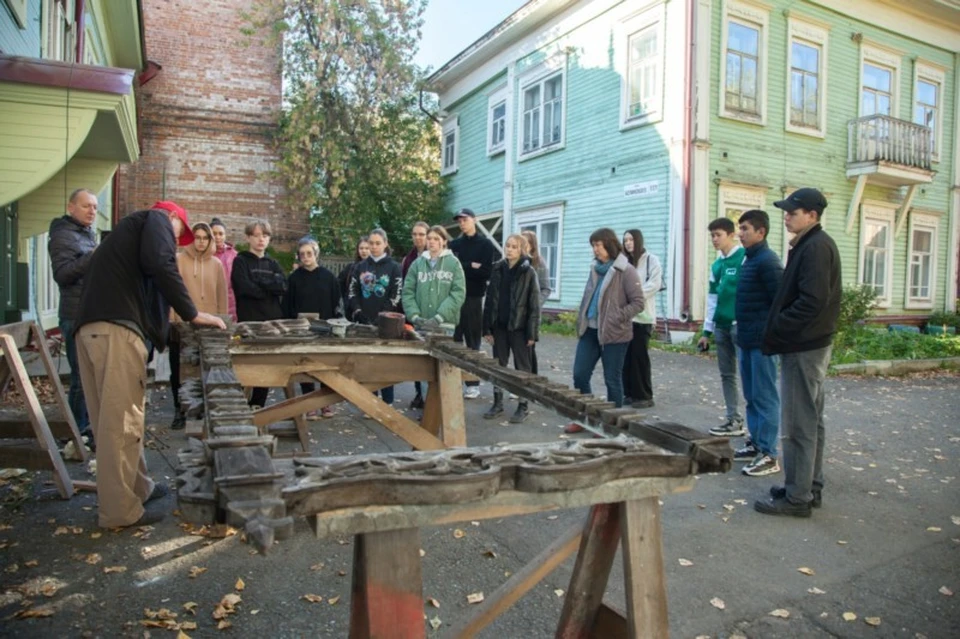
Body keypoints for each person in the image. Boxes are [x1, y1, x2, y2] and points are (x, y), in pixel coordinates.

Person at [74, 201, 226, 528]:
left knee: (111, 419)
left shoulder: (125, 236)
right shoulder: (156, 219)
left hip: (91, 330)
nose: (176, 243)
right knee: (121, 423)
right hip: (115, 332)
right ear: (172, 217)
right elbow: (160, 262)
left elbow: (150, 277)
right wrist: (193, 313)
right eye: (180, 234)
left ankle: (138, 487)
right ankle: (119, 512)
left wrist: (161, 333)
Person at [755, 188, 841, 517]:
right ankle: (806, 486)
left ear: (812, 215)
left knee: (799, 424)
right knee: (811, 421)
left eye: (793, 212)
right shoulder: (811, 244)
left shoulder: (815, 247)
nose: (786, 216)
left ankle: (797, 498)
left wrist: (777, 327)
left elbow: (811, 302)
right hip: (811, 343)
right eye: (787, 211)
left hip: (804, 346)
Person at [565, 229, 644, 433]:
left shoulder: (626, 270)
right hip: (590, 331)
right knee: (580, 375)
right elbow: (588, 297)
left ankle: (612, 425)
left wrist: (616, 317)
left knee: (612, 379)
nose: (595, 249)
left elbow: (638, 303)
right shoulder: (595, 268)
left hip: (614, 334)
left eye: (598, 245)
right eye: (593, 245)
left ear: (609, 244)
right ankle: (585, 418)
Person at [733, 210, 783, 477]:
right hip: (747, 339)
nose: (740, 234)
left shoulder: (768, 261)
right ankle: (756, 444)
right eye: (739, 229)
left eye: (745, 229)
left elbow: (780, 302)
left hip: (763, 343)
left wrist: (770, 336)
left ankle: (769, 454)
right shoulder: (749, 259)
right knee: (752, 396)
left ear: (761, 232)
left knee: (765, 397)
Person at [48, 188, 98, 447]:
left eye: (95, 207)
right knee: (80, 375)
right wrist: (92, 258)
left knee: (89, 373)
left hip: (89, 311)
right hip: (74, 314)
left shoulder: (86, 234)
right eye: (86, 206)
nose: (92, 211)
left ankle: (86, 426)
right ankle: (76, 431)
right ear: (71, 208)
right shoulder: (63, 236)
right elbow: (63, 274)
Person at [169, 222, 229, 429]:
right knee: (177, 368)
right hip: (182, 323)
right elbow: (173, 292)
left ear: (210, 240)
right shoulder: (179, 260)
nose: (201, 241)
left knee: (205, 368)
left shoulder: (217, 264)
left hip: (209, 324)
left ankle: (203, 409)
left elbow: (222, 295)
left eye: (205, 237)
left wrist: (223, 320)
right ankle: (179, 411)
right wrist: (173, 319)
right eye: (197, 237)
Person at [482, 234, 540, 423]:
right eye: (507, 246)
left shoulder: (529, 272)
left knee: (522, 368)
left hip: (520, 328)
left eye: (514, 247)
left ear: (521, 249)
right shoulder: (498, 268)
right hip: (499, 326)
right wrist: (487, 328)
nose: (509, 249)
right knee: (498, 366)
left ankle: (523, 405)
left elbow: (534, 306)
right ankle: (497, 403)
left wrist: (532, 333)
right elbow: (489, 300)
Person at [231, 219, 287, 408]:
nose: (260, 240)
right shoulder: (240, 261)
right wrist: (267, 286)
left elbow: (282, 286)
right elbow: (243, 287)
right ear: (248, 238)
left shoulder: (273, 263)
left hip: (271, 324)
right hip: (248, 323)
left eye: (264, 235)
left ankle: (258, 406)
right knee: (245, 366)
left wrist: (260, 283)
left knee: (265, 367)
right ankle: (239, 406)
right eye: (256, 235)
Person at [700, 218, 746, 438]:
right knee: (727, 375)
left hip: (740, 326)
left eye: (718, 235)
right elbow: (712, 298)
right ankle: (733, 419)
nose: (714, 240)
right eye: (712, 235)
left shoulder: (744, 258)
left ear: (731, 235)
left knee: (748, 375)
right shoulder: (717, 264)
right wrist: (706, 331)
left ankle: (756, 429)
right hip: (721, 326)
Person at [286, 237, 342, 417]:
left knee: (325, 365)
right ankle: (309, 402)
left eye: (309, 253)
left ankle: (325, 402)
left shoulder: (329, 277)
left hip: (325, 328)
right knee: (305, 365)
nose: (305, 257)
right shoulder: (293, 279)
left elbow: (336, 303)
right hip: (302, 328)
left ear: (316, 253)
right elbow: (288, 305)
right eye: (302, 254)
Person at [347, 228, 402, 404]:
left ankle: (388, 402)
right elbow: (352, 291)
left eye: (378, 243)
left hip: (386, 323)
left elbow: (396, 294)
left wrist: (383, 315)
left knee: (385, 363)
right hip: (363, 321)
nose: (374, 246)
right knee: (366, 363)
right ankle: (370, 401)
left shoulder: (394, 267)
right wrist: (357, 311)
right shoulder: (360, 266)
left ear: (385, 244)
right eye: (371, 243)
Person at [449, 208, 496, 399]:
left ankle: (472, 383)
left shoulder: (485, 245)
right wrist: (470, 265)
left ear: (474, 220)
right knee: (454, 339)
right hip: (454, 298)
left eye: (465, 219)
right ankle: (453, 380)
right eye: (459, 221)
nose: (462, 223)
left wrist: (464, 265)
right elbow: (453, 270)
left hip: (474, 298)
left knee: (472, 341)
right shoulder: (455, 244)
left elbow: (486, 272)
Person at [621, 229, 662, 409]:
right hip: (625, 315)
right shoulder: (622, 260)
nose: (628, 243)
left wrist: (634, 295)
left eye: (631, 239)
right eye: (625, 240)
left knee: (639, 357)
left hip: (643, 316)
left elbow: (654, 284)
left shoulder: (651, 259)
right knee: (625, 357)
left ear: (638, 240)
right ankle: (629, 393)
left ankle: (644, 395)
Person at [402, 221, 430, 409]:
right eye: (415, 234)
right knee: (416, 357)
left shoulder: (435, 257)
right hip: (414, 313)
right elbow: (406, 287)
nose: (418, 237)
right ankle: (419, 394)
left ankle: (431, 401)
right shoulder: (408, 259)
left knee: (429, 358)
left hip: (432, 314)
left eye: (421, 234)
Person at [521, 230, 551, 376]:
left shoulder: (539, 263)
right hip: (516, 312)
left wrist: (535, 304)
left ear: (532, 245)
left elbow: (546, 289)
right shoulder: (516, 261)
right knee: (518, 348)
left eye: (526, 243)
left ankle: (531, 378)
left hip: (531, 314)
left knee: (528, 348)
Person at [210, 218, 239, 321]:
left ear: (225, 235)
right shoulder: (205, 255)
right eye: (214, 234)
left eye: (221, 234)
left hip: (231, 303)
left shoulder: (234, 255)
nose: (217, 237)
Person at [339, 236, 370, 306]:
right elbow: (339, 284)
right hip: (352, 308)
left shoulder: (378, 268)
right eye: (361, 248)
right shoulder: (350, 268)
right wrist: (346, 300)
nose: (364, 251)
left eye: (367, 248)